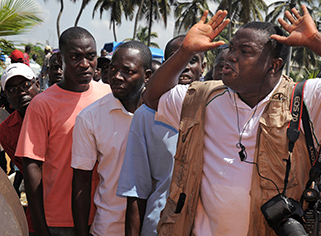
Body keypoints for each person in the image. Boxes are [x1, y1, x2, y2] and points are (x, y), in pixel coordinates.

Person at [143, 7, 321, 235]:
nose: (231, 56)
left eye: (245, 52)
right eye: (231, 48)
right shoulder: (202, 97)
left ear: (274, 65)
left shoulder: (307, 98)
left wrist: (316, 41)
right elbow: (152, 97)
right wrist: (184, 52)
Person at [16, 26, 111, 236]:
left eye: (91, 56)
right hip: (59, 221)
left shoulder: (108, 94)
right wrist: (40, 226)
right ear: (60, 60)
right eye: (76, 57)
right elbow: (32, 165)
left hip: (103, 216)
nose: (85, 64)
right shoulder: (42, 104)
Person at [117, 35, 206, 236]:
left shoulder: (216, 111)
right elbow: (136, 189)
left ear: (203, 66)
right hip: (158, 226)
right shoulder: (145, 115)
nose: (184, 66)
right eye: (176, 59)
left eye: (191, 59)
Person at [71, 40, 152, 236]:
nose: (116, 76)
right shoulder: (90, 117)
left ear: (147, 76)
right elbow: (81, 181)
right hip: (108, 228)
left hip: (156, 226)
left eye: (127, 71)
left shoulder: (165, 113)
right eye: (112, 68)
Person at [0, 63, 40, 234]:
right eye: (12, 89)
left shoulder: (59, 115)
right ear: (7, 97)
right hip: (38, 203)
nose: (21, 92)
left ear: (36, 84)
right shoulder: (6, 130)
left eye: (25, 85)